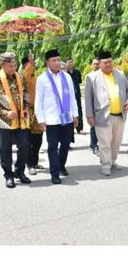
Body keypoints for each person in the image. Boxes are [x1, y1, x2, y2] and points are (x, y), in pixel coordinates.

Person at [0, 52, 31, 188]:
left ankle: (19, 171)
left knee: (24, 145)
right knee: (5, 149)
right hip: (3, 121)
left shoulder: (19, 76)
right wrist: (5, 113)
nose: (14, 68)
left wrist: (26, 107)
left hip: (20, 119)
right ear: (3, 65)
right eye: (10, 65)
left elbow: (25, 93)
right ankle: (9, 175)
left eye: (15, 65)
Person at [85, 51, 128, 176]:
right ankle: (105, 165)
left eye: (110, 62)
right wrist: (89, 115)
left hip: (120, 115)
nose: (108, 64)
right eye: (105, 62)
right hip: (102, 115)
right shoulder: (92, 77)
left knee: (116, 142)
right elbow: (88, 98)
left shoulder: (120, 75)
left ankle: (112, 161)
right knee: (105, 143)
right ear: (100, 64)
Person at [35, 49, 79, 184]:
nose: (57, 63)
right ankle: (54, 173)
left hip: (66, 117)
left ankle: (61, 165)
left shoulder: (66, 77)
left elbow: (72, 97)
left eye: (58, 60)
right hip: (51, 119)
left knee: (65, 145)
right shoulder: (42, 79)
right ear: (47, 63)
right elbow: (38, 101)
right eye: (54, 60)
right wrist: (40, 119)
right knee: (52, 146)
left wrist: (75, 115)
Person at [21, 56, 45, 175]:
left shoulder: (37, 79)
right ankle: (29, 165)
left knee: (38, 140)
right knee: (28, 141)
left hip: (38, 112)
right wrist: (30, 64)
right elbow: (25, 75)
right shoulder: (22, 78)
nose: (33, 67)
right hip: (27, 112)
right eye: (30, 65)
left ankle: (35, 162)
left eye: (33, 65)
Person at [66, 57, 86, 135]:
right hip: (68, 97)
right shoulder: (65, 73)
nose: (70, 64)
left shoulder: (77, 72)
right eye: (69, 62)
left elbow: (79, 82)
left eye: (71, 62)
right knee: (69, 113)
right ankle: (70, 131)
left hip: (77, 95)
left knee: (79, 111)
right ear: (66, 63)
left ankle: (79, 128)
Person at [87, 57, 101, 155]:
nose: (95, 65)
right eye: (94, 64)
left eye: (97, 64)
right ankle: (94, 145)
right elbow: (88, 94)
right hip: (93, 105)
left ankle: (95, 144)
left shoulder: (103, 75)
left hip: (103, 106)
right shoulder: (89, 76)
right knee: (94, 126)